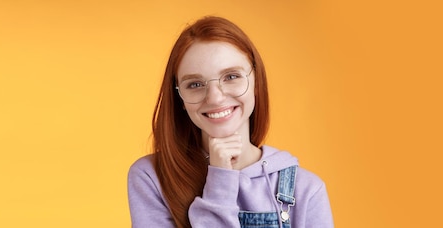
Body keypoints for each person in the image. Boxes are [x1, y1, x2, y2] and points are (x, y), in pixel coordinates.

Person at [127, 16, 334, 228]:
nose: (215, 98)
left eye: (231, 77)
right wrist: (220, 180)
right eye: (195, 84)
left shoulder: (306, 190)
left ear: (255, 81)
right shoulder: (151, 177)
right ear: (179, 96)